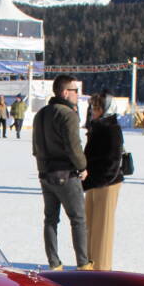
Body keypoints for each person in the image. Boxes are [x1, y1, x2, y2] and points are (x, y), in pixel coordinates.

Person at [32, 73, 91, 271]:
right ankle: (83, 263)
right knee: (78, 219)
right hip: (65, 174)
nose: (77, 95)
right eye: (75, 91)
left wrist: (43, 168)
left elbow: (36, 147)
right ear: (65, 92)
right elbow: (74, 147)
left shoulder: (41, 114)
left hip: (45, 174)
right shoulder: (67, 114)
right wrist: (82, 167)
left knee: (50, 220)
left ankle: (54, 263)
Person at [83, 93, 124, 270]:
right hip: (93, 181)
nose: (94, 111)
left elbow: (113, 161)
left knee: (102, 226)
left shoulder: (112, 128)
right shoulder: (97, 126)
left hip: (107, 183)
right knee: (90, 224)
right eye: (93, 107)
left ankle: (101, 266)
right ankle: (90, 261)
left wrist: (100, 179)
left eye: (98, 108)